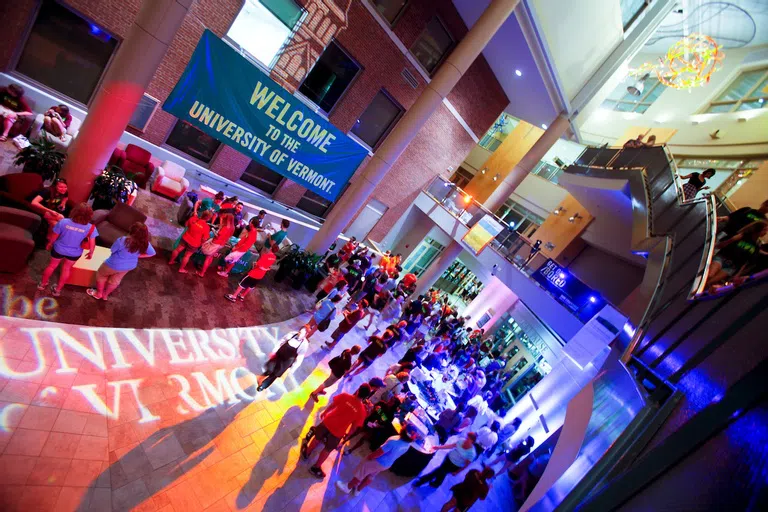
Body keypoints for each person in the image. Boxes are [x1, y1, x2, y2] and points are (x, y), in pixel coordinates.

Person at [303, 383, 372, 479]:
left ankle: (306, 453)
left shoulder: (345, 396)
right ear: (366, 397)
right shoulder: (362, 411)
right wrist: (347, 435)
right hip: (338, 432)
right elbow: (354, 427)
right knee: (327, 449)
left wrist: (326, 412)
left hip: (328, 421)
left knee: (317, 438)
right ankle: (315, 467)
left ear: (358, 389)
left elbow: (333, 404)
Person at [337, 424, 419, 496]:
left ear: (403, 430)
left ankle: (348, 487)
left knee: (361, 473)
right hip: (386, 464)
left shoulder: (394, 441)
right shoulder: (408, 445)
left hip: (377, 461)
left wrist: (370, 457)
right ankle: (358, 490)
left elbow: (380, 452)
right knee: (371, 476)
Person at [37, 203, 97, 297]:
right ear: (90, 215)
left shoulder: (63, 222)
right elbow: (92, 244)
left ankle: (42, 284)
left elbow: (54, 236)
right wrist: (91, 253)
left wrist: (50, 243)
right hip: (75, 253)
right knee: (66, 269)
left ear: (74, 211)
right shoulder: (91, 228)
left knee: (52, 266)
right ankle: (57, 290)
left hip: (58, 249)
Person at [86, 222, 155, 300]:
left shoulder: (122, 240)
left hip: (113, 264)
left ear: (131, 231)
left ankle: (99, 294)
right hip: (129, 266)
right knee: (115, 281)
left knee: (101, 275)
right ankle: (105, 295)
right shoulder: (146, 243)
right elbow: (152, 253)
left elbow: (112, 250)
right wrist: (138, 255)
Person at [707, 221, 767, 291]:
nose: (765, 233)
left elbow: (746, 263)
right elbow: (719, 246)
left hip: (732, 267)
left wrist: (737, 274)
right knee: (710, 275)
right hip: (722, 258)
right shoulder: (741, 236)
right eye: (764, 230)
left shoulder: (756, 247)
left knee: (710, 282)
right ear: (758, 230)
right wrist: (732, 240)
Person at [29, 178, 68, 242]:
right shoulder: (46, 191)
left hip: (49, 210)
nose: (63, 189)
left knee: (55, 224)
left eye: (65, 187)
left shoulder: (64, 193)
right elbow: (34, 202)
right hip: (37, 209)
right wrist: (50, 211)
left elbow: (65, 199)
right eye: (61, 187)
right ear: (55, 186)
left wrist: (63, 205)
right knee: (61, 218)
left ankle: (49, 241)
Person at [199, 212, 235, 277]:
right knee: (211, 257)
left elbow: (218, 236)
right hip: (221, 244)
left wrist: (213, 230)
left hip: (215, 243)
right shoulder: (232, 227)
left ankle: (202, 273)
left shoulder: (226, 227)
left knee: (208, 257)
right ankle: (204, 269)